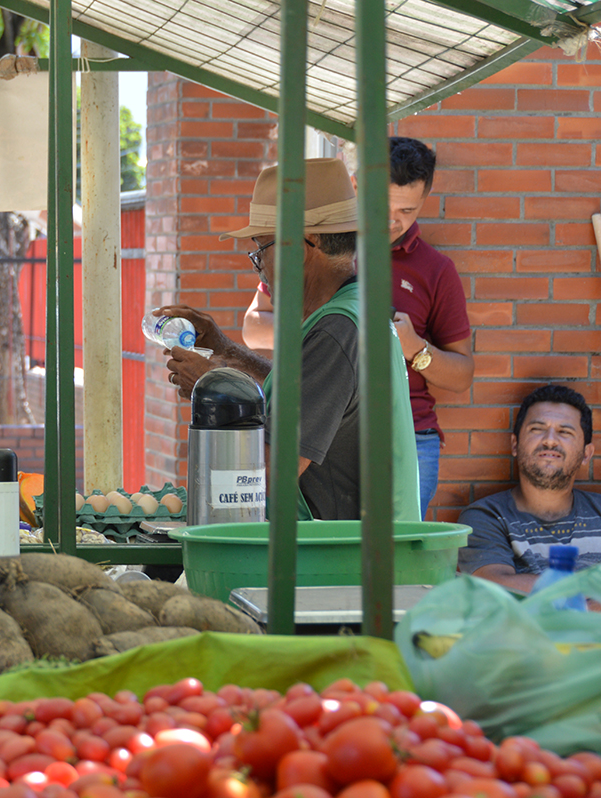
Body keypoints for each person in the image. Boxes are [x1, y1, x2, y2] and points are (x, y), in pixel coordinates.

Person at [157, 157, 420, 523]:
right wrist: (228, 352)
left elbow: (265, 474)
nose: (260, 269)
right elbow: (306, 396)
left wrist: (214, 388)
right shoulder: (356, 309)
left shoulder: (336, 330)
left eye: (261, 251)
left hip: (341, 563)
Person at [242, 137, 474, 519]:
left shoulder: (435, 270)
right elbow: (257, 328)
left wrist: (416, 348)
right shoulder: (329, 261)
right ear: (354, 187)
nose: (390, 219)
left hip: (407, 435)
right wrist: (327, 335)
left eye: (407, 210)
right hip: (326, 419)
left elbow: (463, 374)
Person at [458, 384, 601, 597]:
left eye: (565, 432)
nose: (550, 440)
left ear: (586, 454)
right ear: (515, 445)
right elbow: (493, 585)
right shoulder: (486, 517)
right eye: (537, 429)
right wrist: (586, 602)